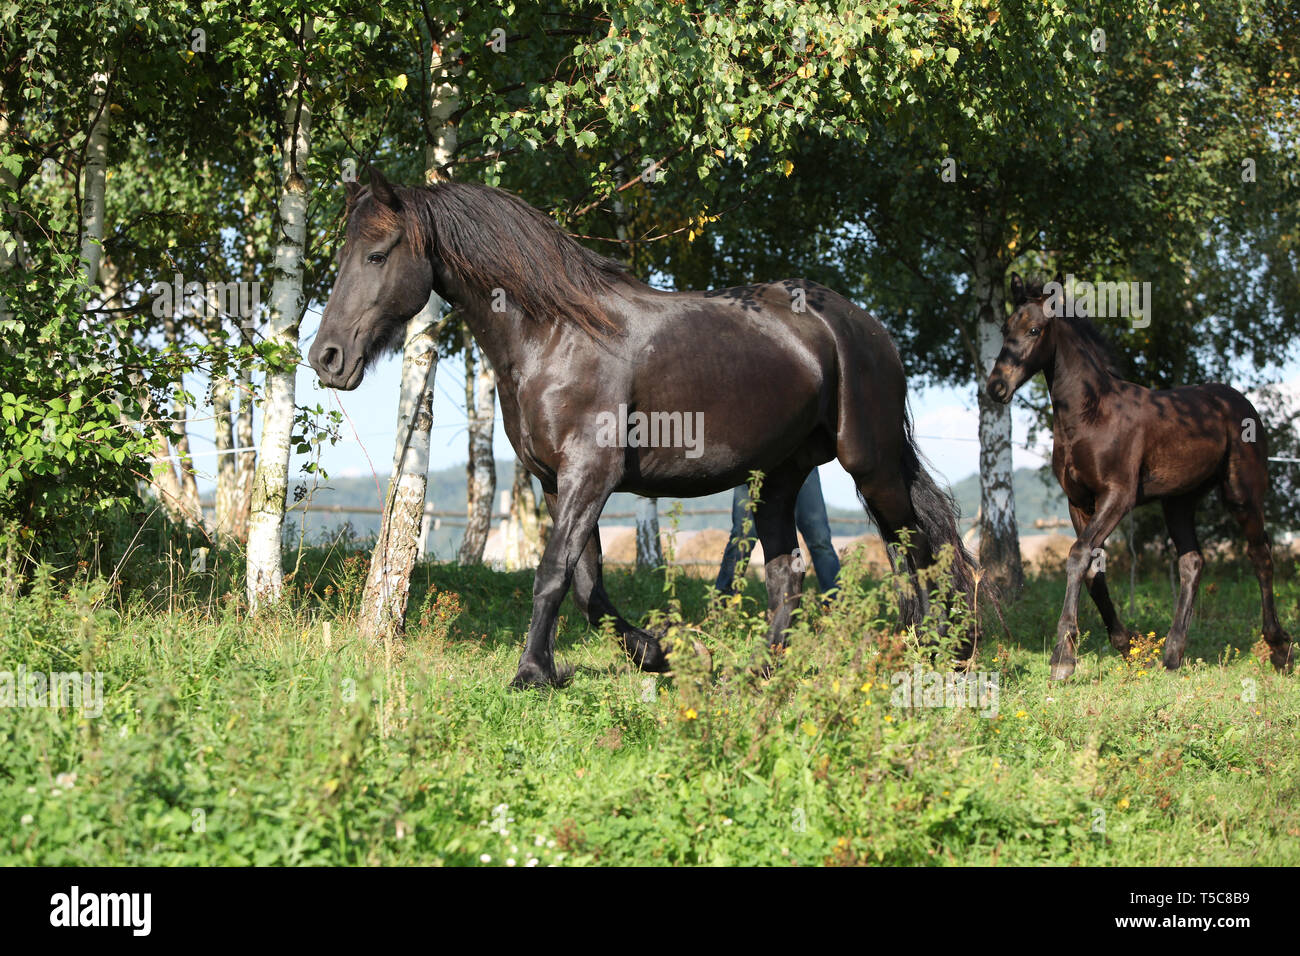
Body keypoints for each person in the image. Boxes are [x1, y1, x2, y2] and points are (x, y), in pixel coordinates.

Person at [715, 470, 841, 599]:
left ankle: (837, 604)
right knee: (742, 535)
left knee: (819, 538)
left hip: (800, 463)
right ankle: (722, 605)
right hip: (755, 463)